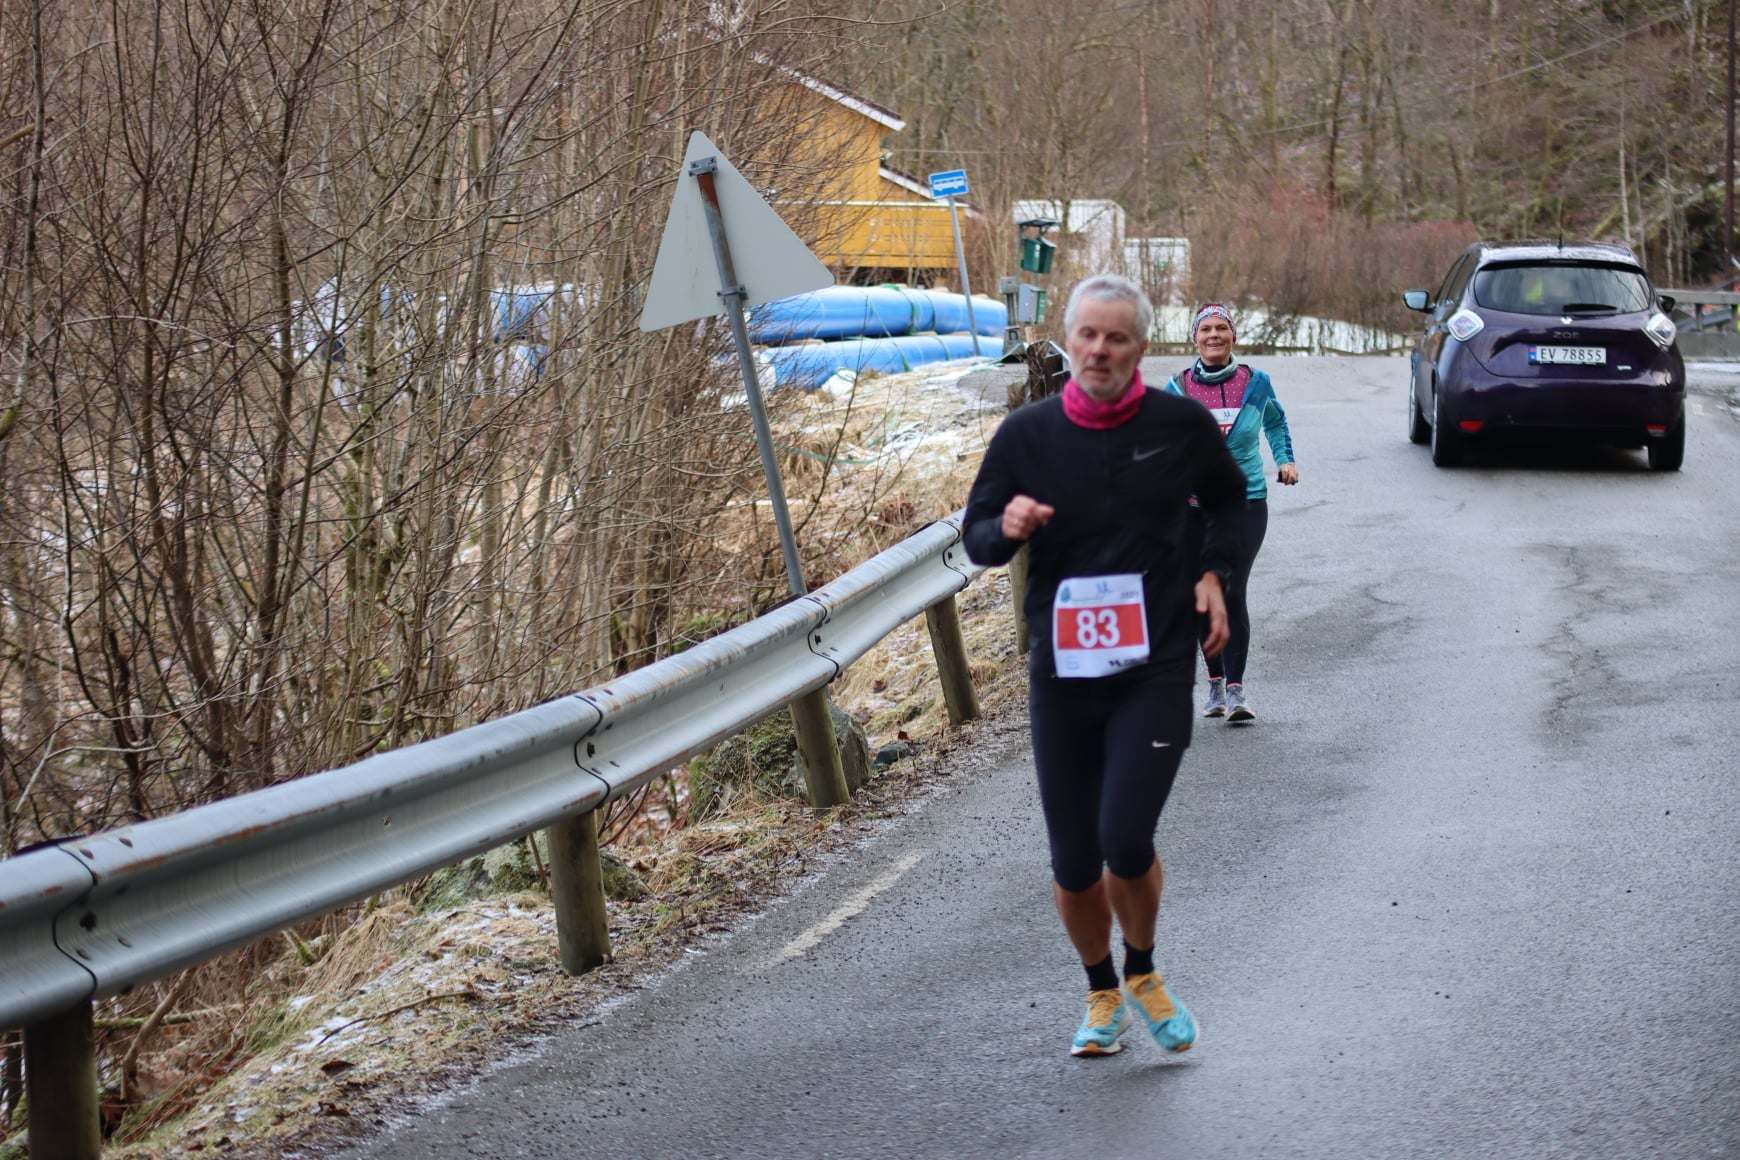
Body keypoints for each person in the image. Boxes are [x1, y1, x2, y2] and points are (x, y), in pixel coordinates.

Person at [962, 274, 1247, 1058]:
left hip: (1154, 664)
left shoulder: (1180, 425)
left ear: (1140, 348)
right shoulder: (1027, 436)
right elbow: (978, 536)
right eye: (1086, 334)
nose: (1098, 350)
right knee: (1074, 859)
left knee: (1125, 836)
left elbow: (1230, 500)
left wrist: (1214, 572)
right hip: (1063, 674)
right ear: (1068, 340)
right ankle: (1100, 991)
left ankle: (1143, 970)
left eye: (1115, 338)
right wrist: (1006, 526)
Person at [1164, 303, 1298, 724]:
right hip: (1193, 508)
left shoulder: (1256, 384)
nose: (1214, 335)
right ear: (1195, 338)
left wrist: (1285, 460)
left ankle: (1237, 691)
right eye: (1205, 329)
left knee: (1232, 590)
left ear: (1233, 336)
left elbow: (1276, 422)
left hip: (1246, 502)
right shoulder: (1178, 388)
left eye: (1221, 328)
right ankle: (1216, 683)